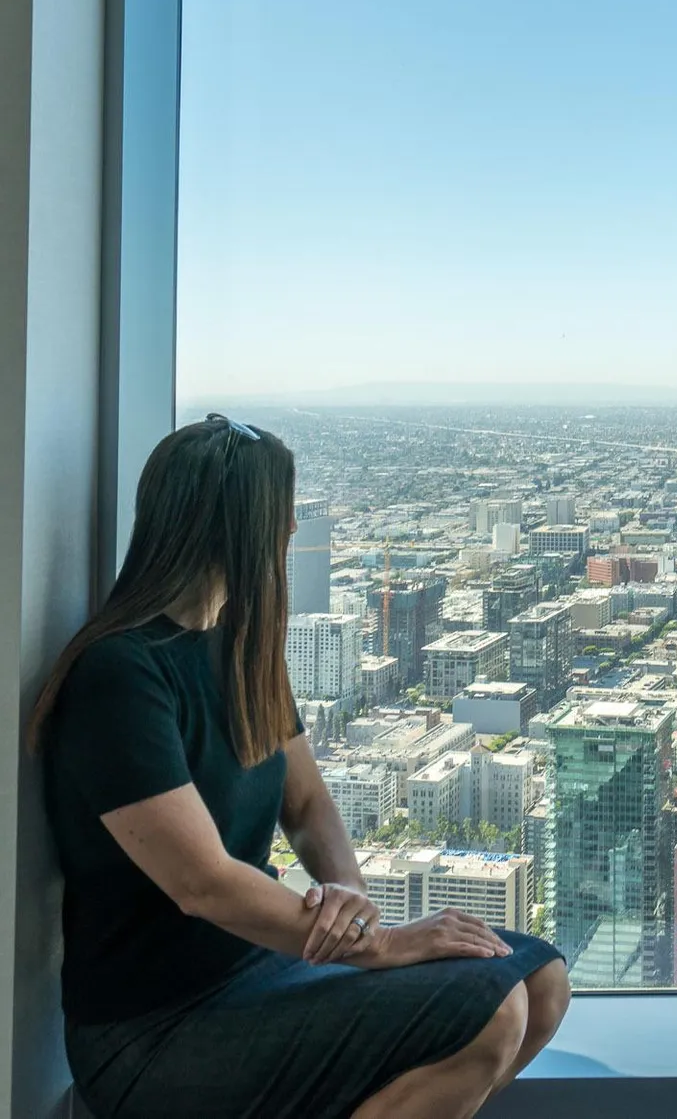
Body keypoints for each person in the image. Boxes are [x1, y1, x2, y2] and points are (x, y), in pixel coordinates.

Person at [30, 415, 570, 1119]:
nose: (291, 529)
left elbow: (309, 805)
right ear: (236, 528)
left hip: (261, 966)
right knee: (492, 1010)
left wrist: (350, 899)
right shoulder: (120, 675)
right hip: (154, 1029)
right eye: (279, 514)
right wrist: (378, 945)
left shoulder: (239, 650)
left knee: (542, 984)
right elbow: (202, 883)